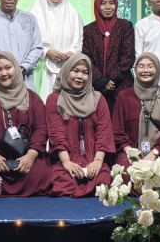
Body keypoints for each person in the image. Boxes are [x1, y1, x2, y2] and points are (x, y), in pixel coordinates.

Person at [0, 51, 51, 197]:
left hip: (26, 158)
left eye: (8, 68)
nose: (4, 73)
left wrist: (30, 157)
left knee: (41, 170)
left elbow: (41, 129)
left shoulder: (33, 98)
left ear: (16, 68)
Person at [47, 54, 115, 197]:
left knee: (103, 182)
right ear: (66, 72)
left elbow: (104, 133)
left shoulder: (98, 99)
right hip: (66, 159)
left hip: (93, 159)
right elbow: (56, 134)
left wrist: (97, 162)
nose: (80, 76)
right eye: (75, 71)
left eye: (85, 72)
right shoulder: (55, 99)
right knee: (64, 185)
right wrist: (67, 162)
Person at [111, 53, 160, 169]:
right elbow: (117, 131)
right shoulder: (124, 96)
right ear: (135, 70)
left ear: (157, 69)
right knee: (127, 172)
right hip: (130, 152)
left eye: (150, 66)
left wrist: (155, 152)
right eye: (141, 66)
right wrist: (130, 151)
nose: (145, 70)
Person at [29, 0, 84, 100]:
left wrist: (72, 52)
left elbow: (81, 40)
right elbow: (28, 42)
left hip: (69, 68)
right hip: (43, 69)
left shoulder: (73, 13)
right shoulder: (35, 13)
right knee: (45, 102)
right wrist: (47, 52)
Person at [82, 0, 135, 112]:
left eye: (111, 3)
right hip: (97, 88)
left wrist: (111, 80)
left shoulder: (125, 26)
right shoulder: (89, 30)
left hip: (122, 86)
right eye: (103, 3)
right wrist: (101, 81)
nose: (108, 7)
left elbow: (128, 57)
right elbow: (86, 57)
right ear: (97, 5)